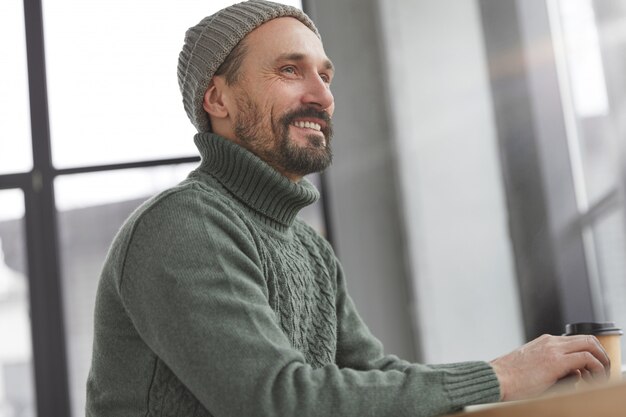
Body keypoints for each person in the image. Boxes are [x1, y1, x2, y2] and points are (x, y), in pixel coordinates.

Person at [85, 1, 611, 416]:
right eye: (290, 70)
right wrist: (501, 376)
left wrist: (525, 377)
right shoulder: (184, 227)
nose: (322, 95)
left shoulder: (308, 247)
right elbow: (279, 402)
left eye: (326, 75)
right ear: (217, 100)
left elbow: (372, 375)